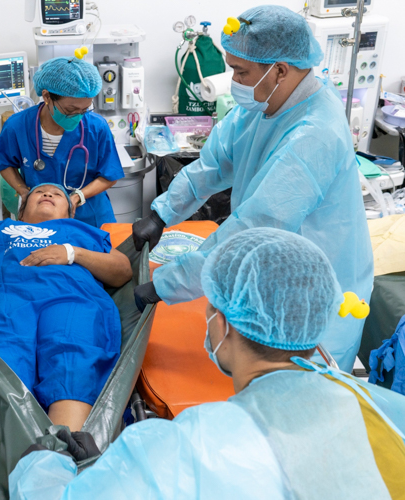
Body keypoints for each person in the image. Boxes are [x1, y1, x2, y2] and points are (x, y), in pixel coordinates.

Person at [9, 228, 405, 499]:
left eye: (210, 307)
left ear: (224, 323)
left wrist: (47, 462)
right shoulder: (388, 409)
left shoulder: (194, 445)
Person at [132, 5, 373, 372]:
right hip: (271, 272)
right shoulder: (261, 102)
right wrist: (162, 213)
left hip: (315, 301)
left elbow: (254, 227)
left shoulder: (315, 135)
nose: (235, 82)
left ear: (280, 69)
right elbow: (212, 166)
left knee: (294, 402)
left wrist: (165, 284)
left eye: (241, 72)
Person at [0, 183, 132, 431]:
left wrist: (73, 253)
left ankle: (66, 449)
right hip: (8, 301)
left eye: (58, 194)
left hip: (71, 299)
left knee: (72, 357)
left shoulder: (82, 231)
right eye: (38, 193)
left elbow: (123, 271)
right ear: (20, 213)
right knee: (4, 364)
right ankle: (21, 449)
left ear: (70, 213)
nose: (48, 194)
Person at [0, 56, 124, 228]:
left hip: (90, 217)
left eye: (84, 110)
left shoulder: (96, 127)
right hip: (43, 219)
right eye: (71, 110)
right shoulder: (18, 126)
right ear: (47, 96)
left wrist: (78, 197)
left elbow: (110, 175)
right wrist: (24, 191)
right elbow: (4, 163)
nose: (78, 116)